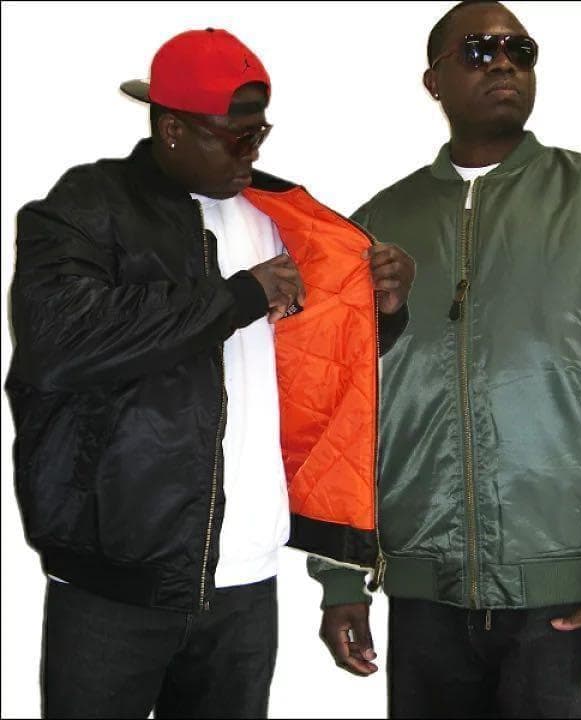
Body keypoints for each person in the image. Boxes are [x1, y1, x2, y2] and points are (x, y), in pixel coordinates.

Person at [309, 2, 581, 718]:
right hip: (424, 599)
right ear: (433, 80)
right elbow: (340, 411)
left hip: (571, 601)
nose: (502, 63)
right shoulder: (372, 230)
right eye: (477, 50)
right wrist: (341, 573)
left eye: (519, 51)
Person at [6, 27, 414, 719]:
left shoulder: (278, 213)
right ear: (172, 128)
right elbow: (59, 341)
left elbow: (316, 361)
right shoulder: (88, 206)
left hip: (246, 579)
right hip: (114, 580)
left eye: (261, 132)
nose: (254, 152)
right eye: (238, 137)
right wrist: (237, 296)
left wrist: (386, 311)